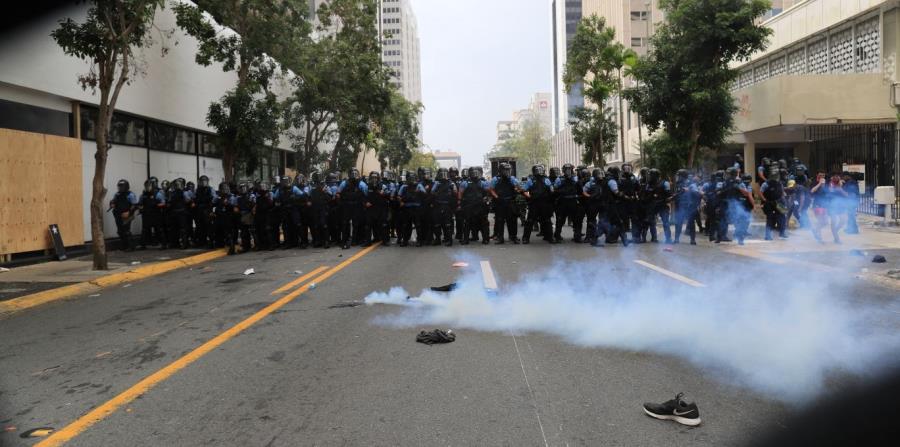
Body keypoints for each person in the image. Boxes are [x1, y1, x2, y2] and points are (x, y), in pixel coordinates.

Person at [521, 164, 556, 244]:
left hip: (544, 203)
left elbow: (551, 190)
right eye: (537, 170)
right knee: (530, 221)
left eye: (540, 170)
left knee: (547, 220)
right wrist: (529, 197)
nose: (539, 172)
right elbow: (524, 190)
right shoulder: (531, 180)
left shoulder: (546, 180)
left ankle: (550, 237)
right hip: (534, 203)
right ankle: (525, 238)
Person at [810, 172, 847, 243]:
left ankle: (815, 230)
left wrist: (839, 186)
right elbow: (812, 190)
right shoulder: (815, 182)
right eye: (820, 175)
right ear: (817, 175)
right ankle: (819, 238)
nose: (822, 176)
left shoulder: (827, 183)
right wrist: (820, 184)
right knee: (822, 221)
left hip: (826, 206)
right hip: (818, 205)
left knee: (825, 222)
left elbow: (830, 191)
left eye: (823, 175)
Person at [458, 166, 491, 245]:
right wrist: (459, 203)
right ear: (470, 174)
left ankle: (486, 239)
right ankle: (466, 240)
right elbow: (460, 193)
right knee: (467, 223)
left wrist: (487, 199)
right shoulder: (465, 183)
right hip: (469, 206)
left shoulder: (483, 182)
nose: (475, 175)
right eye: (473, 173)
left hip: (480, 206)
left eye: (476, 173)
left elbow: (488, 192)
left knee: (483, 223)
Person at [489, 162, 521, 244]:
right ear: (500, 170)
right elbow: (491, 189)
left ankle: (513, 237)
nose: (507, 172)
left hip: (510, 202)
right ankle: (500, 238)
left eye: (508, 170)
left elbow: (519, 188)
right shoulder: (495, 179)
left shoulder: (513, 179)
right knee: (500, 221)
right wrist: (496, 197)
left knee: (512, 221)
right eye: (505, 170)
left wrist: (517, 189)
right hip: (500, 202)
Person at [337, 168, 368, 249]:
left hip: (357, 207)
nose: (354, 175)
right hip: (346, 206)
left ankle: (355, 240)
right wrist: (340, 202)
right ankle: (345, 240)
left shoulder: (361, 184)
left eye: (355, 173)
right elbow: (338, 193)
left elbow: (366, 194)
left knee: (356, 224)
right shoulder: (344, 183)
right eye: (352, 173)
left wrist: (364, 204)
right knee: (345, 224)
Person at [641, 168, 672, 244]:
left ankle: (668, 239)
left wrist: (665, 200)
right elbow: (645, 194)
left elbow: (669, 195)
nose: (649, 177)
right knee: (648, 221)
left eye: (651, 175)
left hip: (662, 205)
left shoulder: (665, 183)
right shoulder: (648, 184)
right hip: (652, 206)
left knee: (666, 223)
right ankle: (646, 238)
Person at [430, 168, 458, 246]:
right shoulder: (436, 183)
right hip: (437, 205)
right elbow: (432, 192)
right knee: (437, 223)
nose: (443, 176)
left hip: (447, 206)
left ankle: (449, 240)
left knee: (447, 224)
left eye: (445, 174)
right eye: (441, 174)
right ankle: (438, 239)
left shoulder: (452, 184)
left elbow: (456, 194)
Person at [553, 163, 581, 243]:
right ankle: (557, 236)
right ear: (564, 170)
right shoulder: (559, 179)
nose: (568, 171)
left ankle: (577, 236)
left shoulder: (575, 179)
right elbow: (555, 190)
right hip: (563, 201)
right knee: (560, 220)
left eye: (569, 169)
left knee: (576, 220)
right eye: (566, 169)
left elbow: (580, 190)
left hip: (573, 201)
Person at [397, 172, 426, 246]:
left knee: (418, 225)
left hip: (417, 208)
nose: (412, 180)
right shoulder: (404, 186)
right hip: (407, 208)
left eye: (413, 178)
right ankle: (405, 240)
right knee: (406, 225)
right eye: (410, 178)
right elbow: (399, 196)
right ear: (407, 178)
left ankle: (419, 241)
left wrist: (419, 191)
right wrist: (401, 202)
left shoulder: (419, 185)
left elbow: (424, 194)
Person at [109, 179, 139, 251]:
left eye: (122, 186)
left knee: (126, 231)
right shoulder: (117, 194)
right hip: (118, 215)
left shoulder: (130, 195)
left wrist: (129, 212)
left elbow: (134, 205)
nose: (120, 188)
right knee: (120, 231)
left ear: (126, 187)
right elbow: (113, 201)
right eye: (119, 186)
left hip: (127, 215)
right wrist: (112, 204)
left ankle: (131, 246)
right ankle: (124, 246)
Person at [672, 169, 700, 245]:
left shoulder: (691, 184)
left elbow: (697, 194)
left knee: (691, 223)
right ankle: (676, 239)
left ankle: (693, 240)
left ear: (683, 176)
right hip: (680, 206)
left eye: (679, 175)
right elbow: (677, 194)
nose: (677, 177)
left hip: (688, 207)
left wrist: (689, 190)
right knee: (678, 223)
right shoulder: (678, 184)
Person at [364, 171, 391, 247]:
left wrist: (384, 194)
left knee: (383, 225)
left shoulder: (383, 186)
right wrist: (366, 202)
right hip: (371, 208)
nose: (374, 179)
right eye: (372, 178)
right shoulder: (367, 186)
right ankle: (368, 241)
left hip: (381, 208)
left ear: (378, 178)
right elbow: (364, 197)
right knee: (368, 225)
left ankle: (385, 240)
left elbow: (389, 196)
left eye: (375, 178)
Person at [138, 178, 166, 250]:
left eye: (149, 186)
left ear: (152, 186)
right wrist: (141, 208)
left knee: (159, 230)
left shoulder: (158, 194)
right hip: (146, 215)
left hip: (156, 215)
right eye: (146, 186)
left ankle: (164, 245)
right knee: (144, 230)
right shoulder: (143, 195)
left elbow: (163, 203)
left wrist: (156, 205)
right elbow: (140, 204)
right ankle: (143, 245)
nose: (147, 187)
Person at [759, 168, 788, 240]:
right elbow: (760, 193)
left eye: (776, 175)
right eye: (774, 175)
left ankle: (782, 233)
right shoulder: (766, 183)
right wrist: (764, 200)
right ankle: (768, 235)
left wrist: (784, 201)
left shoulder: (779, 183)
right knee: (770, 218)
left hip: (779, 202)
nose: (776, 177)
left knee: (783, 216)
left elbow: (782, 192)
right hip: (769, 202)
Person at [273, 176, 301, 249]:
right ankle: (287, 243)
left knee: (296, 225)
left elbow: (302, 195)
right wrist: (277, 202)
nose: (285, 182)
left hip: (293, 209)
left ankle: (296, 241)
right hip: (284, 210)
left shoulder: (294, 188)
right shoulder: (279, 190)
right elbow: (275, 198)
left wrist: (295, 197)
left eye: (287, 181)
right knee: (285, 227)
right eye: (284, 181)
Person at [308, 171, 333, 248]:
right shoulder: (311, 186)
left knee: (324, 224)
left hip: (323, 207)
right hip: (314, 208)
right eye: (317, 177)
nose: (318, 179)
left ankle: (326, 241)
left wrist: (324, 192)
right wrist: (309, 202)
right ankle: (318, 241)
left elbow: (330, 197)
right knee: (316, 225)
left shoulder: (325, 186)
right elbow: (309, 196)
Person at [212, 182, 237, 255]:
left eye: (226, 188)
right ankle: (220, 244)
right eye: (222, 188)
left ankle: (231, 247)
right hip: (219, 217)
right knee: (218, 231)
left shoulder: (231, 197)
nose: (224, 190)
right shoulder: (218, 197)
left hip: (228, 217)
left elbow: (234, 207)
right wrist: (213, 211)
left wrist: (228, 204)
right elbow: (213, 204)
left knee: (229, 232)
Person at [166, 178, 192, 249]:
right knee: (174, 229)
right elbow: (169, 202)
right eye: (176, 185)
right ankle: (175, 243)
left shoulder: (184, 192)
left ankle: (184, 244)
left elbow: (188, 201)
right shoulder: (173, 193)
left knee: (183, 229)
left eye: (179, 184)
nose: (178, 186)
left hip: (182, 213)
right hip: (175, 213)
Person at [193, 175, 214, 248]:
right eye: (202, 181)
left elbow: (213, 200)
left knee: (208, 227)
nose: (203, 183)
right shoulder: (197, 190)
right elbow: (195, 199)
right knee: (200, 227)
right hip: (199, 210)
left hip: (207, 210)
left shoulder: (210, 189)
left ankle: (211, 242)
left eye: (205, 181)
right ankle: (202, 241)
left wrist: (211, 210)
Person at [253, 181, 276, 251]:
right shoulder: (258, 196)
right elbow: (257, 206)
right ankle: (263, 245)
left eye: (264, 186)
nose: (262, 188)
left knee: (268, 230)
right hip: (260, 215)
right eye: (261, 187)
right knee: (260, 230)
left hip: (268, 215)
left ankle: (271, 245)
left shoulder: (270, 194)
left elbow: (271, 204)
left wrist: (267, 198)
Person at [235, 182, 256, 252]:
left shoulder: (251, 196)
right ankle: (246, 246)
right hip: (242, 216)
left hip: (250, 215)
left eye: (244, 188)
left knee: (253, 231)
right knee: (244, 232)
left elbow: (255, 204)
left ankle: (257, 245)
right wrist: (236, 208)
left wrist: (253, 209)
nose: (243, 190)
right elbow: (236, 207)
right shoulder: (238, 198)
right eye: (241, 188)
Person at [293, 174, 312, 249]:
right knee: (298, 224)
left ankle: (305, 241)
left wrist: (296, 197)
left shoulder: (307, 187)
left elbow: (305, 195)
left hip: (305, 208)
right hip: (297, 208)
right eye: (297, 179)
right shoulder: (294, 187)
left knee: (304, 225)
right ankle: (301, 240)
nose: (299, 181)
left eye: (300, 179)